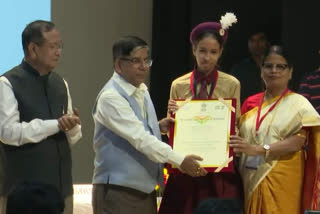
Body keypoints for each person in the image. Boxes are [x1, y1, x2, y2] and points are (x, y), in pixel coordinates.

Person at [91, 35, 207, 214]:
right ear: (118, 65)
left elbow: (137, 130)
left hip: (144, 190)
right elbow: (140, 139)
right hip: (118, 191)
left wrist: (157, 127)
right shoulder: (111, 97)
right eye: (136, 61)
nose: (144, 66)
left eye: (147, 60)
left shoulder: (141, 89)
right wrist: (181, 160)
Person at [158, 13, 243, 214]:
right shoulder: (178, 85)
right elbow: (172, 132)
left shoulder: (231, 84)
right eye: (202, 50)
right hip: (186, 167)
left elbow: (236, 123)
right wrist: (171, 126)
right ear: (194, 49)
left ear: (221, 52)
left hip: (219, 169)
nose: (207, 57)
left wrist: (235, 136)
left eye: (213, 51)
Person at [0, 20, 82, 214]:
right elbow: (7, 132)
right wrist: (56, 125)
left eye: (60, 46)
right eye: (53, 46)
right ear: (33, 49)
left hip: (61, 191)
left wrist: (72, 127)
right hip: (23, 196)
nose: (59, 52)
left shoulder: (60, 83)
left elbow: (72, 137)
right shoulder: (8, 83)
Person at [229, 45, 320, 213]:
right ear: (261, 70)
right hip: (250, 179)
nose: (274, 70)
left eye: (281, 66)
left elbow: (298, 142)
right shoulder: (250, 103)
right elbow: (241, 139)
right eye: (268, 66)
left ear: (290, 72)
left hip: (284, 181)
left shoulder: (299, 104)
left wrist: (257, 150)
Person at [231, 31, 269, 103]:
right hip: (248, 110)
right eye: (252, 40)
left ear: (267, 42)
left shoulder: (275, 66)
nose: (256, 44)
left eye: (260, 40)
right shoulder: (239, 69)